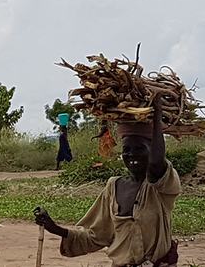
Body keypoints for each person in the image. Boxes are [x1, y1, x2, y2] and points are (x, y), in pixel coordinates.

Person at [34, 102, 181, 267]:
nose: (132, 154)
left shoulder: (162, 187)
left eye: (140, 148)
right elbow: (97, 236)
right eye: (126, 149)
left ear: (152, 149)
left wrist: (157, 112)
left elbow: (156, 165)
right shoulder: (114, 186)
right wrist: (54, 228)